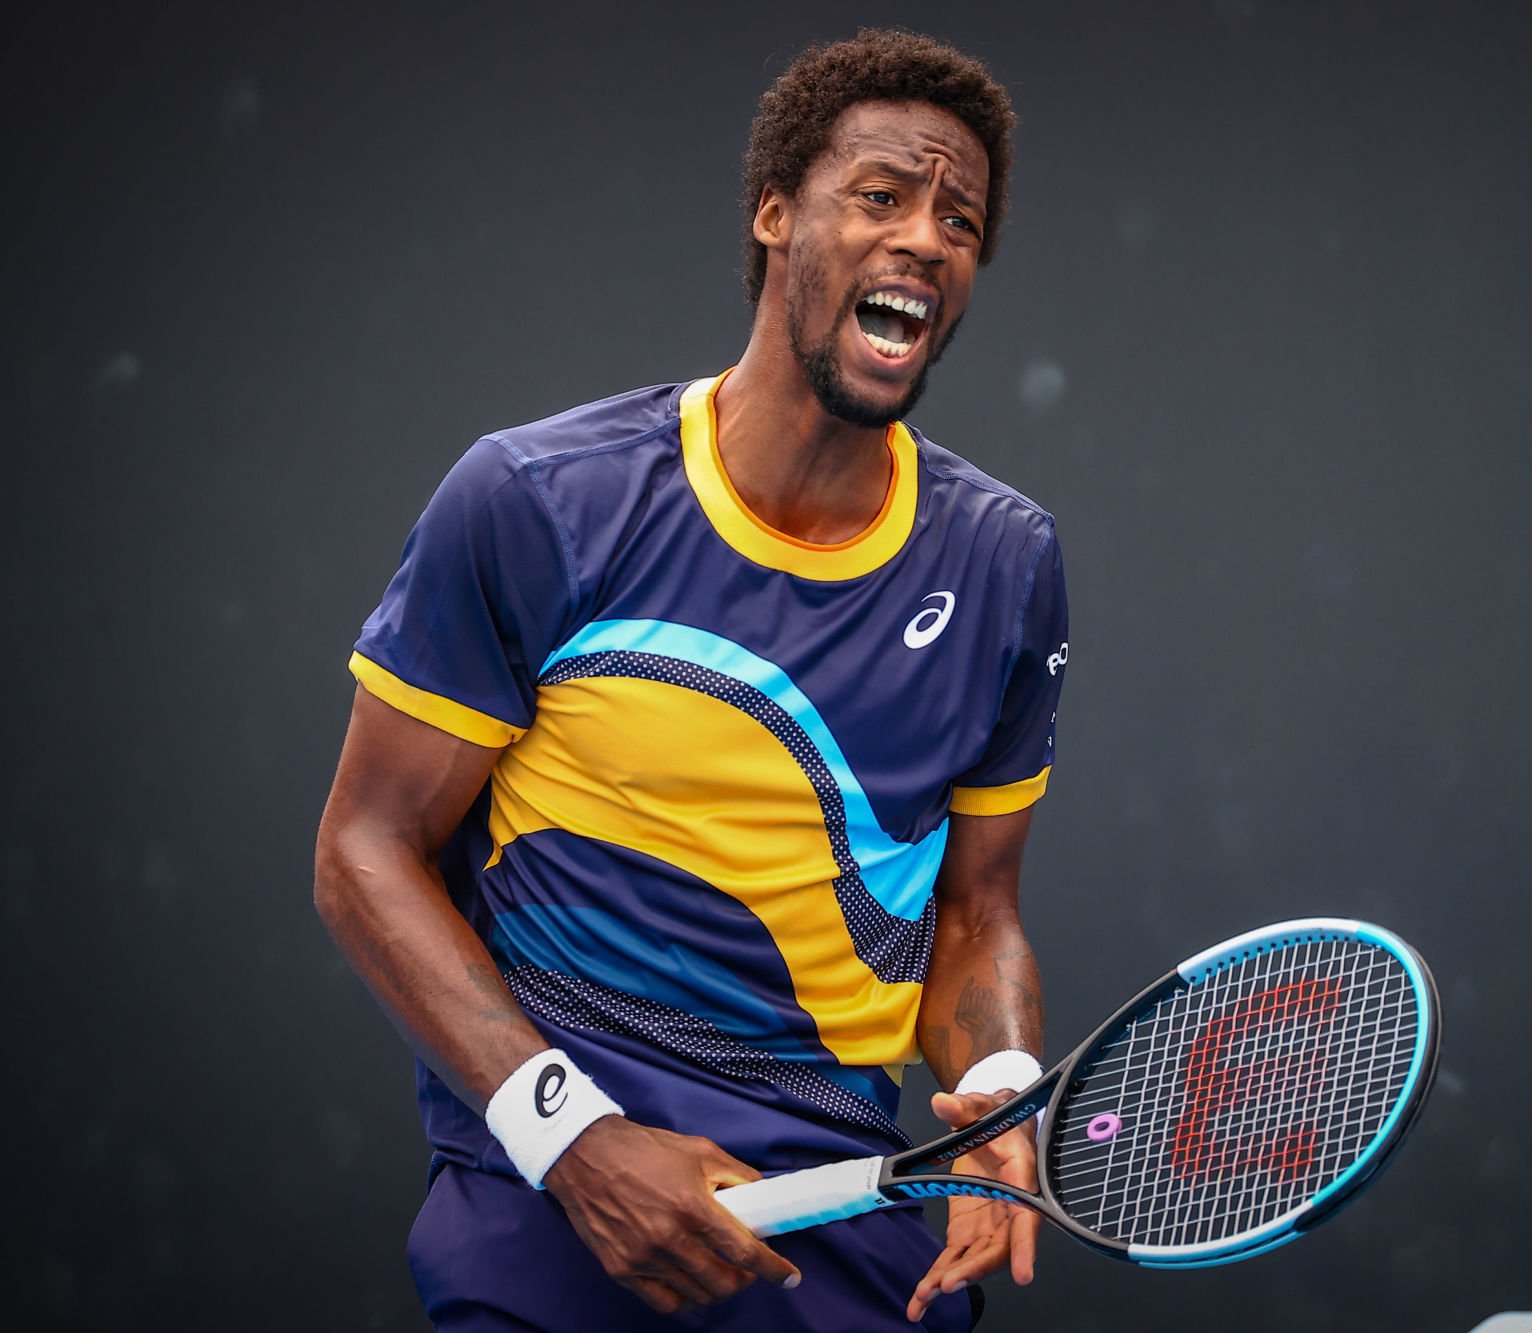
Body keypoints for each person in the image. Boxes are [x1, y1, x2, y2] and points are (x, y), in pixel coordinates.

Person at [313, 29, 1068, 1332]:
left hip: (839, 1211)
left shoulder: (1005, 563)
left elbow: (974, 909)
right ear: (776, 215)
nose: (927, 239)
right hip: (552, 1201)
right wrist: (571, 1138)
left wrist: (998, 1085)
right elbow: (364, 849)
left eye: (961, 221)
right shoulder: (541, 500)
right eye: (881, 195)